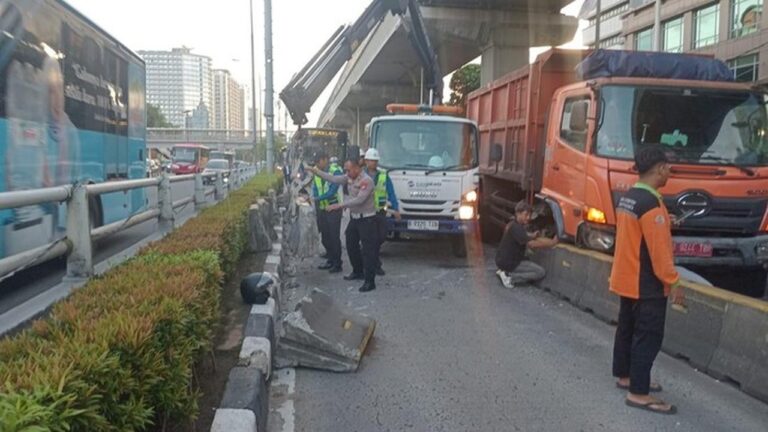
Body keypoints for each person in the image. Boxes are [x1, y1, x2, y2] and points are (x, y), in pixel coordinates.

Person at [610, 146, 685, 415]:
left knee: (627, 329)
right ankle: (639, 393)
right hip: (646, 283)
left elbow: (639, 234)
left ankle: (626, 375)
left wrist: (665, 220)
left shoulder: (630, 197)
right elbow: (659, 252)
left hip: (627, 277)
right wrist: (674, 282)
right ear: (659, 168)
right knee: (648, 336)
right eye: (668, 168)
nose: (669, 172)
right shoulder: (651, 204)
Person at [311, 157, 379, 292]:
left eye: (348, 170)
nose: (346, 173)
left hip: (367, 219)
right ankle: (358, 271)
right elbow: (333, 179)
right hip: (355, 218)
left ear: (356, 168)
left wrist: (339, 205)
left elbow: (359, 200)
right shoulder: (349, 178)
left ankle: (370, 281)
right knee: (350, 244)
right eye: (346, 170)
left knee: (368, 251)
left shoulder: (366, 181)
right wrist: (315, 171)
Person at [495, 202, 558, 288]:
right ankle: (510, 277)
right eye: (526, 214)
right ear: (518, 213)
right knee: (540, 272)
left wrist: (533, 235)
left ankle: (504, 271)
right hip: (510, 262)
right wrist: (552, 243)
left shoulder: (513, 224)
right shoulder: (517, 228)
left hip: (502, 260)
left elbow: (526, 236)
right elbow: (532, 244)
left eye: (529, 215)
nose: (528, 218)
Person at [363, 148, 401, 275]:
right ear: (366, 161)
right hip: (366, 212)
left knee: (381, 236)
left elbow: (391, 193)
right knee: (369, 239)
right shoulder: (361, 175)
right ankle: (375, 265)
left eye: (375, 161)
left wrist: (396, 209)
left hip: (380, 212)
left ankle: (373, 261)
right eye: (371, 160)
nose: (373, 163)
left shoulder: (383, 175)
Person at [311, 151, 344, 273]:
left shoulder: (336, 171)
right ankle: (330, 259)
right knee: (325, 237)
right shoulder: (317, 172)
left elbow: (332, 191)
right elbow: (315, 188)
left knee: (334, 237)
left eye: (318, 162)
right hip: (323, 209)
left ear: (325, 159)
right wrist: (313, 199)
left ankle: (337, 263)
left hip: (334, 209)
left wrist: (316, 198)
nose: (317, 165)